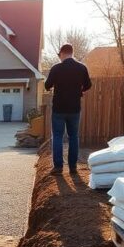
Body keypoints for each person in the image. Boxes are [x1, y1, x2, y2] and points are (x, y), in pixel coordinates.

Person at [44, 43, 92, 176]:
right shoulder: (81, 68)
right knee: (73, 137)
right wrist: (79, 90)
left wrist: (53, 86)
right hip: (74, 108)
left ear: (62, 53)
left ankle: (58, 167)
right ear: (72, 52)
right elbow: (88, 85)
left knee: (58, 136)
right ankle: (73, 167)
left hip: (59, 108)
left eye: (59, 55)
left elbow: (47, 85)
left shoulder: (56, 68)